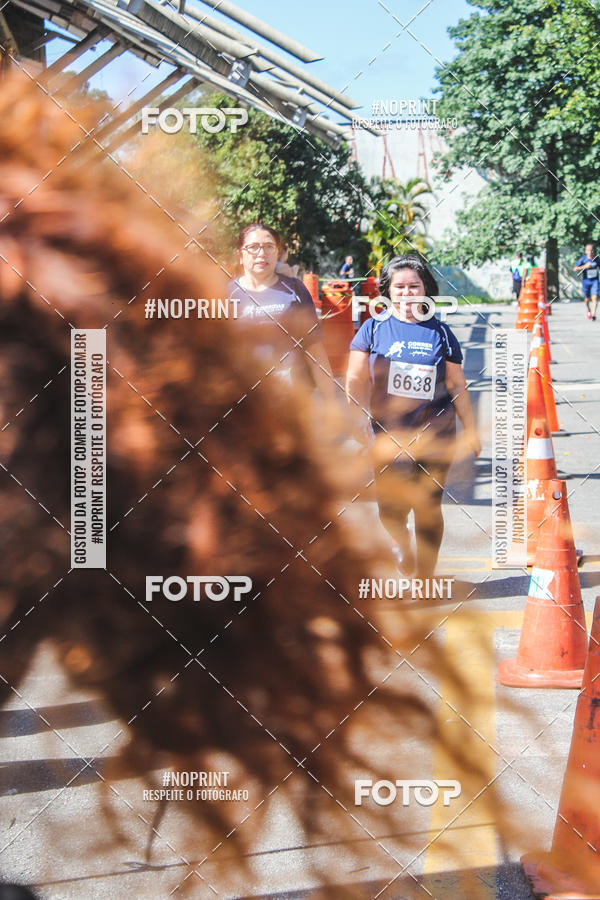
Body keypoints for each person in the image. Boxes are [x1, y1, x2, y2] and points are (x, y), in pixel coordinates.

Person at [345, 255, 481, 579]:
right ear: (388, 291)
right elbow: (354, 379)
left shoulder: (441, 332)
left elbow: (456, 384)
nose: (407, 294)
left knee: (429, 507)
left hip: (436, 435)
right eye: (400, 287)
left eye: (414, 286)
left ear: (425, 290)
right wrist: (356, 420)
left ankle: (425, 578)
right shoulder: (372, 329)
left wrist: (471, 429)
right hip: (388, 439)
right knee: (390, 511)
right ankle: (401, 543)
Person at [228, 223, 336, 400]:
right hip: (245, 405)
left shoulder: (295, 290)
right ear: (240, 255)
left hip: (293, 403)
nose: (261, 253)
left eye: (269, 247)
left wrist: (331, 401)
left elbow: (314, 350)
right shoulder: (225, 295)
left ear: (277, 252)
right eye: (253, 247)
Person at [574, 242, 600, 319]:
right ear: (586, 251)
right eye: (588, 250)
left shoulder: (597, 259)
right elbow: (575, 269)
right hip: (586, 281)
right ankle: (588, 310)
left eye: (592, 250)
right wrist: (584, 266)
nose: (590, 252)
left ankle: (593, 314)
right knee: (587, 299)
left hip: (595, 281)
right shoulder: (583, 259)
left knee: (595, 297)